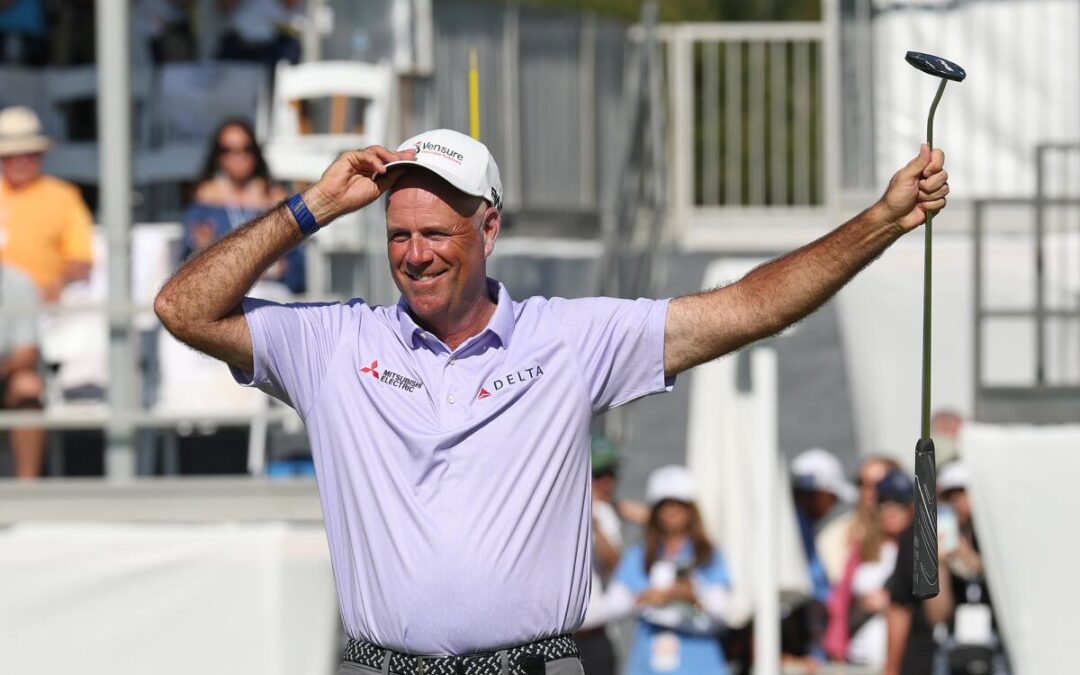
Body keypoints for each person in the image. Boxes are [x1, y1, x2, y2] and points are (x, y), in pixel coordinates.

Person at [154, 127, 948, 673]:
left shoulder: (567, 336)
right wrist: (313, 208)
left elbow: (747, 308)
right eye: (399, 234)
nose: (415, 254)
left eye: (437, 232)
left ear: (488, 228)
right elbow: (182, 309)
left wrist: (880, 221)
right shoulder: (334, 342)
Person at [602, 465, 731, 675]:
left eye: (679, 504)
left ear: (691, 509)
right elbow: (611, 607)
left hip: (700, 664)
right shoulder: (639, 555)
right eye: (664, 504)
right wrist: (645, 598)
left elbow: (723, 612)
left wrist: (694, 596)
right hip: (647, 664)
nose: (671, 511)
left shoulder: (707, 553)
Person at [884, 461, 1005, 675]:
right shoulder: (921, 538)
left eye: (965, 494)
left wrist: (974, 563)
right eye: (951, 497)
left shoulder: (999, 537)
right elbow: (936, 615)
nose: (960, 503)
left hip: (997, 650)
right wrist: (940, 565)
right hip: (949, 652)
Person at [183, 118, 305, 294]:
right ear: (218, 155)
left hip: (271, 287)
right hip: (222, 286)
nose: (238, 157)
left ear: (255, 152)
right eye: (228, 150)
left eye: (246, 149)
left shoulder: (275, 196)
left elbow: (295, 258)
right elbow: (192, 252)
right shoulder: (206, 199)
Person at [0, 106, 94, 302]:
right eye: (11, 156)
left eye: (29, 154)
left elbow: (81, 260)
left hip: (40, 305)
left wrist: (59, 285)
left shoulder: (63, 196)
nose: (20, 162)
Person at [821, 456, 901, 660]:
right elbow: (838, 600)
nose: (871, 493)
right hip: (858, 654)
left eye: (879, 485)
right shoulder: (840, 536)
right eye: (863, 485)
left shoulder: (917, 538)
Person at [786, 447, 858, 667]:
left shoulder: (802, 527)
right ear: (818, 493)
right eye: (832, 497)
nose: (833, 505)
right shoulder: (793, 530)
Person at [846, 469, 914, 667]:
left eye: (900, 500)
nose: (891, 509)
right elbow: (841, 603)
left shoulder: (921, 552)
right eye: (884, 501)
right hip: (858, 656)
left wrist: (889, 600)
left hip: (903, 661)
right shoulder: (863, 547)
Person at [0, 261, 44, 478]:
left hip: (6, 375)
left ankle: (27, 487)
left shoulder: (18, 283)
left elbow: (27, 353)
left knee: (27, 387)